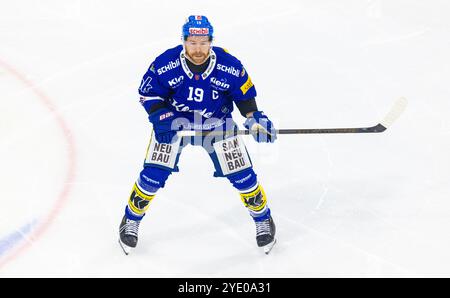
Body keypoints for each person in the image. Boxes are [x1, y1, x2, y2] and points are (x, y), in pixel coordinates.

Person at [119, 15, 278, 255]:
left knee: (243, 176)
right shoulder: (166, 63)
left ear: (211, 41)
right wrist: (162, 119)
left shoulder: (229, 65)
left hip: (217, 123)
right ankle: (131, 219)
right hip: (177, 124)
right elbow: (148, 94)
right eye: (193, 42)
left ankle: (263, 219)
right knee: (153, 174)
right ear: (184, 41)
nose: (198, 49)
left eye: (203, 43)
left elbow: (244, 98)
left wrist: (254, 118)